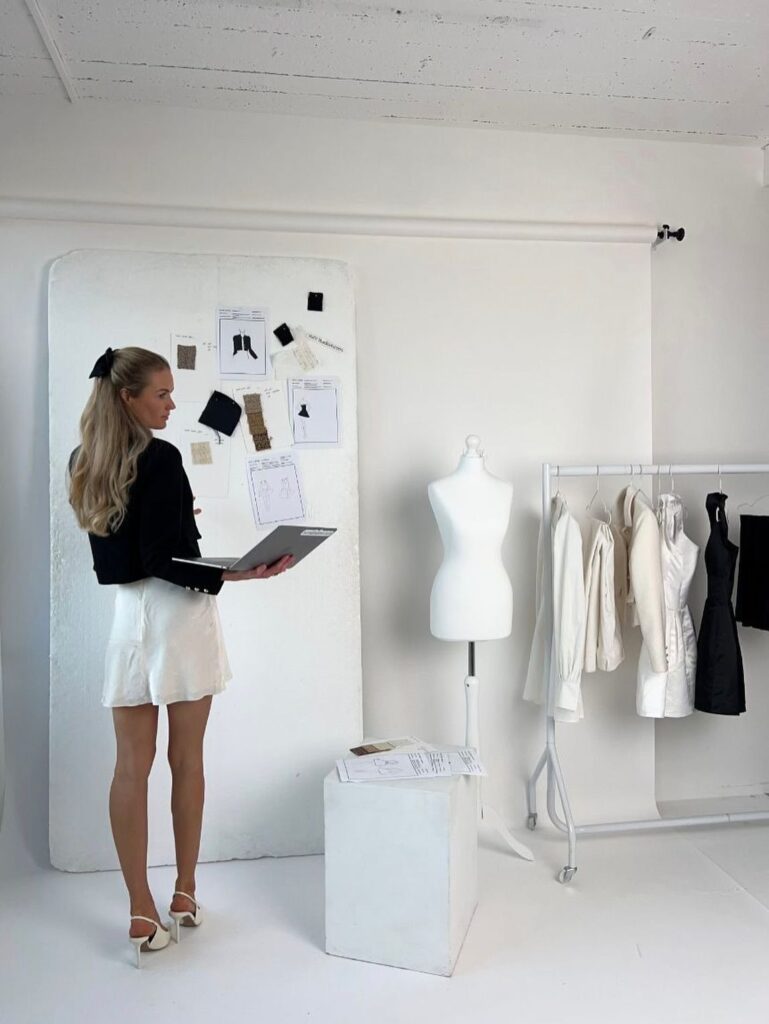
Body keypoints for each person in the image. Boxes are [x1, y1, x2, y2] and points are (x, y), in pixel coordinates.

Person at [68, 346, 293, 966]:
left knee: (128, 769)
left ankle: (142, 908)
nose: (171, 404)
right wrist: (241, 574)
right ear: (127, 398)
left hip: (128, 621)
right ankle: (186, 891)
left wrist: (173, 524)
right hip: (179, 619)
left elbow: (123, 561)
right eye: (161, 394)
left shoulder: (85, 460)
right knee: (186, 760)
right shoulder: (161, 458)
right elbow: (167, 561)